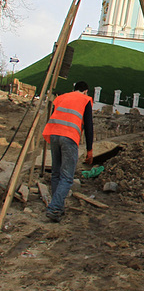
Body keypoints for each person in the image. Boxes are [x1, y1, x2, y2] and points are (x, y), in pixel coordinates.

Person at [42, 81, 94, 222]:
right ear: (85, 91)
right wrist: (90, 150)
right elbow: (89, 126)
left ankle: (56, 206)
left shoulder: (61, 97)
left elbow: (54, 116)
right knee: (67, 177)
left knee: (56, 173)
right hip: (69, 137)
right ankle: (54, 208)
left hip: (53, 134)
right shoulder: (85, 100)